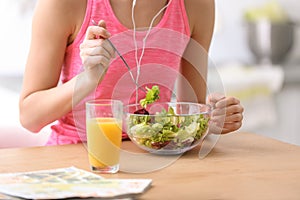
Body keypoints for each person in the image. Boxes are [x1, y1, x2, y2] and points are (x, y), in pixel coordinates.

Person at [19, 0, 244, 145]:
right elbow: (30, 117)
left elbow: (188, 120)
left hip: (153, 156)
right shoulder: (65, 4)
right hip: (76, 159)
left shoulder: (196, 5)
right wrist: (87, 79)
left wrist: (207, 122)